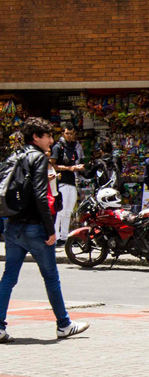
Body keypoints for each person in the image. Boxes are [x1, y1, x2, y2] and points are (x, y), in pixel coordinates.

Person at [0, 118, 90, 343]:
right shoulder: (38, 158)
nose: (51, 140)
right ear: (36, 138)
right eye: (47, 136)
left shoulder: (15, 156)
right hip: (34, 228)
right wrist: (51, 230)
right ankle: (64, 325)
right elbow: (41, 197)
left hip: (12, 226)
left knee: (8, 278)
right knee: (51, 277)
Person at [50, 124, 85, 245]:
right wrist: (69, 168)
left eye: (71, 133)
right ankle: (56, 236)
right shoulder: (58, 147)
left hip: (71, 182)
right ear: (63, 134)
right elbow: (52, 165)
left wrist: (78, 168)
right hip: (61, 183)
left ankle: (64, 237)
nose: (70, 136)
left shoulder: (73, 147)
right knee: (60, 210)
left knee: (69, 211)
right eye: (67, 133)